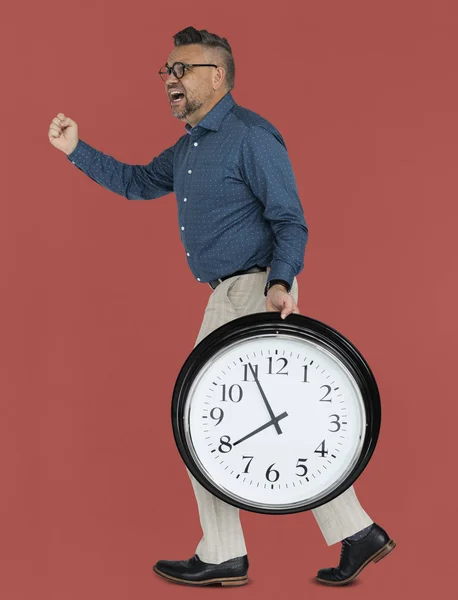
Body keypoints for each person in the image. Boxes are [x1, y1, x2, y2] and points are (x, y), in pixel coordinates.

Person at [48, 26, 395, 588]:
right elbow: (136, 183)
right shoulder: (190, 145)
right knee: (264, 423)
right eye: (167, 71)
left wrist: (280, 284)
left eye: (182, 70)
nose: (171, 81)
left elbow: (290, 218)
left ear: (218, 75)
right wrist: (75, 150)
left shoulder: (250, 136)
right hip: (233, 291)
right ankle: (357, 533)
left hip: (253, 291)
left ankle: (223, 554)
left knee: (199, 422)